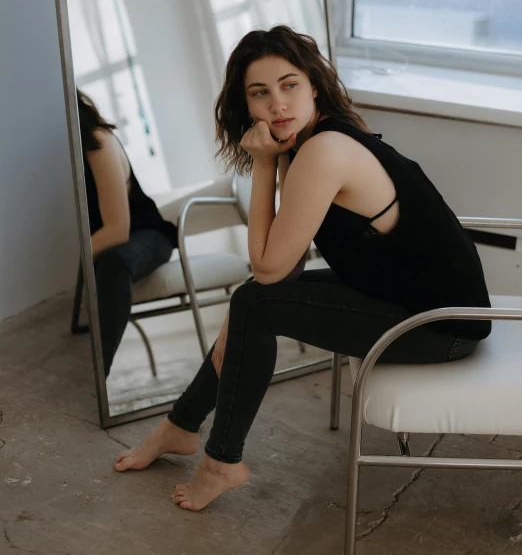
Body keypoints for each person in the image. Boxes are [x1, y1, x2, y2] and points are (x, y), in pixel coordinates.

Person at [113, 25, 491, 510]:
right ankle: (181, 427)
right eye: (260, 93)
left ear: (314, 83)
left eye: (289, 85)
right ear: (245, 106)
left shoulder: (324, 151)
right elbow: (282, 272)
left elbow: (269, 271)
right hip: (400, 298)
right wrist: (238, 319)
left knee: (252, 300)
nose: (278, 105)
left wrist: (264, 165)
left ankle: (218, 459)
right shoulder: (311, 144)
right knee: (249, 303)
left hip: (440, 325)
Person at [78, 90, 178, 377]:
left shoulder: (97, 140)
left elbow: (117, 230)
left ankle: (94, 375)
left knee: (113, 261)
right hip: (100, 246)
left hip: (145, 234)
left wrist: (66, 264)